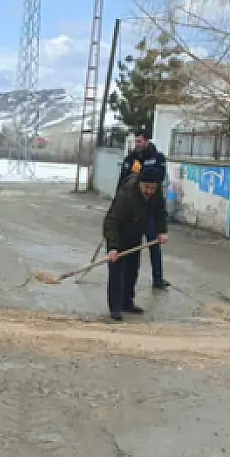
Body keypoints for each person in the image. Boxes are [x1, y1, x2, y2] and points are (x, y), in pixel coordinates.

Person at [102, 175, 169, 321]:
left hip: (136, 233)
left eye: (153, 188)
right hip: (119, 235)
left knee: (132, 270)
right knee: (117, 272)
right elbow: (111, 221)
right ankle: (115, 308)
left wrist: (162, 231)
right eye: (147, 188)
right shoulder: (126, 195)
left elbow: (160, 211)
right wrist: (113, 247)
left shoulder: (156, 193)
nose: (150, 191)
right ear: (140, 184)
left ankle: (127, 302)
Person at [117, 129, 170, 290]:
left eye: (139, 141)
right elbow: (122, 183)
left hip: (150, 209)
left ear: (147, 141)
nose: (137, 144)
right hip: (132, 210)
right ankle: (126, 278)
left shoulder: (157, 158)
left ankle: (158, 278)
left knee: (154, 243)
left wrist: (142, 174)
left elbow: (159, 178)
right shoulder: (130, 159)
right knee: (130, 244)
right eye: (136, 141)